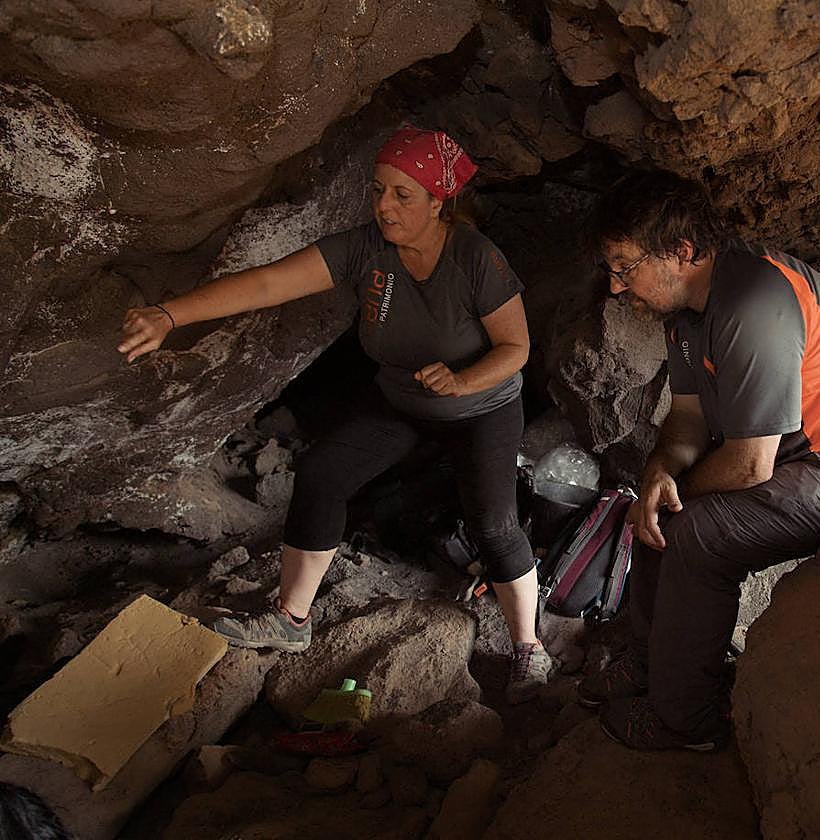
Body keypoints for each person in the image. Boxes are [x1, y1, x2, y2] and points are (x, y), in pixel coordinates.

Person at [117, 126, 552, 703]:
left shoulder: (476, 258)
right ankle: (292, 620)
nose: (384, 206)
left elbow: (516, 349)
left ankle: (529, 648)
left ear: (438, 201)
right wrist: (170, 315)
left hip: (482, 408)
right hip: (400, 400)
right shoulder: (365, 249)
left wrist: (462, 380)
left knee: (493, 523)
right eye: (378, 190)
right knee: (322, 473)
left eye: (403, 194)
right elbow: (271, 282)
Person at [575, 171, 820, 750]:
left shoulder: (752, 301)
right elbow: (689, 418)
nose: (617, 287)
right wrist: (660, 471)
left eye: (625, 266)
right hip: (812, 459)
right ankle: (648, 661)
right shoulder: (687, 313)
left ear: (682, 251)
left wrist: (673, 492)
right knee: (653, 512)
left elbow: (749, 465)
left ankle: (685, 719)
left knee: (698, 533)